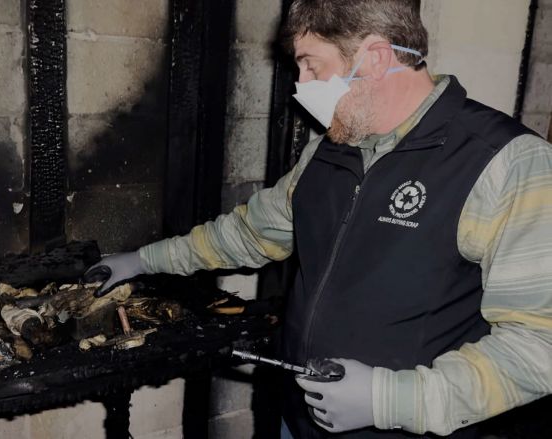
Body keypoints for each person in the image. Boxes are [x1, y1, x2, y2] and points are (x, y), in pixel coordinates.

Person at [84, 0, 552, 437]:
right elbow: (248, 234)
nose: (301, 86)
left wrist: (389, 399)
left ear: (373, 57)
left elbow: (539, 347)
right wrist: (144, 260)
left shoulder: (505, 163)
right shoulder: (328, 152)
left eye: (313, 65)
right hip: (301, 416)